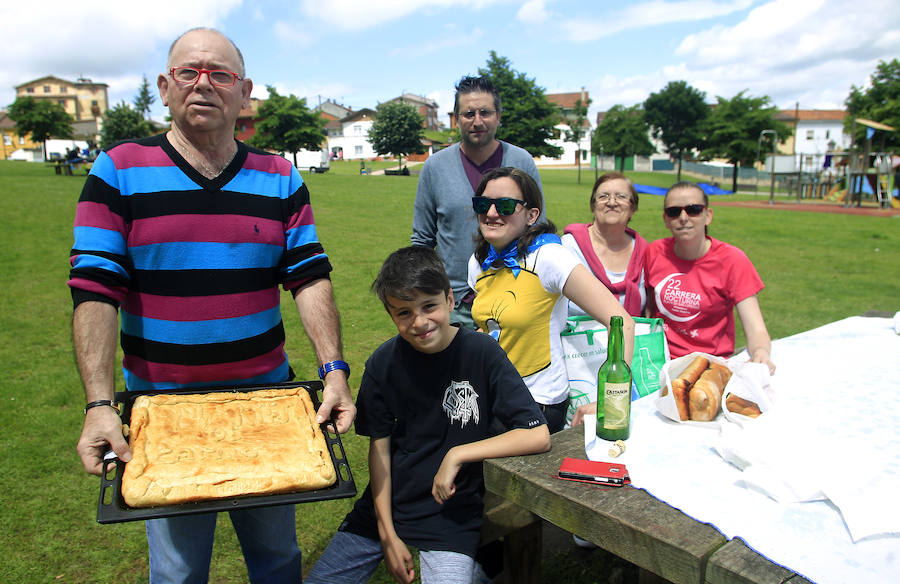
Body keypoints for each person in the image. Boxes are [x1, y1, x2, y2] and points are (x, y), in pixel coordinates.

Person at [68, 27, 355, 583]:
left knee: (277, 560)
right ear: (164, 87)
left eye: (220, 74)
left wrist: (335, 370)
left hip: (271, 403)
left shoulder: (279, 174)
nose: (203, 84)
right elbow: (95, 290)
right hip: (163, 413)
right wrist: (99, 405)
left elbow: (310, 276)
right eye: (188, 72)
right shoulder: (118, 169)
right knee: (178, 572)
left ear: (243, 92)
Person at [305, 246, 550, 584]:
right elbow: (380, 449)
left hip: (449, 513)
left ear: (450, 299)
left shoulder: (482, 353)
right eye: (404, 313)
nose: (419, 322)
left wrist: (458, 454)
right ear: (391, 315)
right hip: (386, 505)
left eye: (429, 306)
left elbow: (537, 434)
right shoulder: (382, 364)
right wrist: (387, 534)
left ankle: (474, 575)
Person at [467, 167, 634, 433]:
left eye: (506, 206)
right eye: (483, 204)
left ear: (532, 215)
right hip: (493, 393)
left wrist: (611, 399)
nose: (491, 214)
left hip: (537, 403)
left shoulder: (549, 257)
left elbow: (621, 321)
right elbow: (493, 326)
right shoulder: (478, 262)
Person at [411, 76, 543, 329]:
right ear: (457, 118)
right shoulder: (435, 167)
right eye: (468, 113)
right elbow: (422, 241)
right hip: (456, 306)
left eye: (485, 112)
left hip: (515, 302)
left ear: (498, 116)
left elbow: (537, 230)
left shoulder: (521, 162)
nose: (477, 121)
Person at [645, 181, 776, 373]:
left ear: (708, 215)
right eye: (674, 212)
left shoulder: (732, 260)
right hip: (659, 364)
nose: (683, 217)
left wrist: (760, 352)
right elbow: (648, 314)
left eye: (693, 210)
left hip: (710, 366)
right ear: (665, 219)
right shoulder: (654, 252)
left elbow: (756, 327)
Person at [561, 171, 648, 317]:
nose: (612, 202)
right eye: (603, 196)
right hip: (575, 337)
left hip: (631, 338)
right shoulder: (568, 247)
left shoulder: (645, 253)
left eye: (621, 196)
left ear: (633, 208)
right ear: (593, 206)